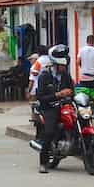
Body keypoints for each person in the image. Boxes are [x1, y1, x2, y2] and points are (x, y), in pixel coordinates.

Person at [33, 44, 73, 173]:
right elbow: (41, 97)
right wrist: (58, 95)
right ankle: (43, 163)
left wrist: (72, 93)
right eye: (61, 65)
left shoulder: (66, 76)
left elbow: (73, 89)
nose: (63, 68)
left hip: (65, 106)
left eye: (64, 65)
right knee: (49, 132)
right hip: (49, 108)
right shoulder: (45, 76)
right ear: (55, 64)